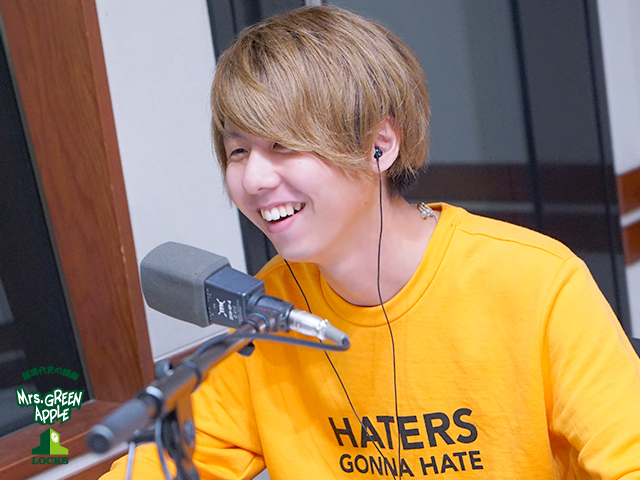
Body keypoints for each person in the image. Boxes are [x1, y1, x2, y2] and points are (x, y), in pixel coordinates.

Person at [101, 5, 640, 479]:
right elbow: (162, 466)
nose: (255, 178)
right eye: (238, 151)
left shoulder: (535, 283)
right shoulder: (266, 314)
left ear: (380, 145)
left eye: (283, 144)